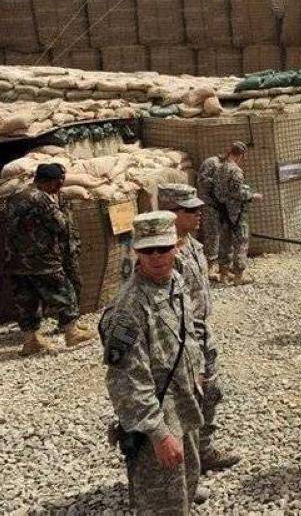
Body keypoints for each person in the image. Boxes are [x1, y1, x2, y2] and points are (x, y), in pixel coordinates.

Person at [100, 211, 205, 514]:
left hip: (184, 404)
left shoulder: (175, 280)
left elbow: (187, 332)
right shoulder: (129, 306)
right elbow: (126, 380)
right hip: (157, 416)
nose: (156, 256)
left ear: (176, 246)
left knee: (185, 483)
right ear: (137, 251)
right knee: (162, 501)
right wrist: (159, 435)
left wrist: (197, 370)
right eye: (148, 250)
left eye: (163, 248)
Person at [157, 185, 240, 482]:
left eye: (198, 208)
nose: (199, 214)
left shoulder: (192, 244)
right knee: (184, 399)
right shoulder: (165, 253)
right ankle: (184, 466)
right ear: (172, 213)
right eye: (191, 210)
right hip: (183, 338)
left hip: (202, 332)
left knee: (210, 393)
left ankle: (202, 452)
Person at [3, 163, 95, 356]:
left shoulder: (14, 195)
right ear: (51, 182)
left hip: (16, 261)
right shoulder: (40, 198)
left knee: (27, 300)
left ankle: (31, 341)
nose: (59, 187)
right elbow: (59, 224)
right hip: (42, 260)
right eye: (58, 183)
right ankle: (71, 333)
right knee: (65, 293)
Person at [211, 142, 263, 285]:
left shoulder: (219, 168)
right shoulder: (236, 171)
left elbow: (217, 191)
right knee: (241, 243)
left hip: (222, 211)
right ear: (241, 155)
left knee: (224, 243)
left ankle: (223, 275)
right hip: (236, 213)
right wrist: (252, 196)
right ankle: (239, 277)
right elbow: (237, 192)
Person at [196, 151, 225, 281]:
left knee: (220, 234)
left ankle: (219, 265)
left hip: (218, 205)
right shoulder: (211, 162)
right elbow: (203, 181)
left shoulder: (223, 166)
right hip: (209, 205)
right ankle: (211, 266)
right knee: (212, 233)